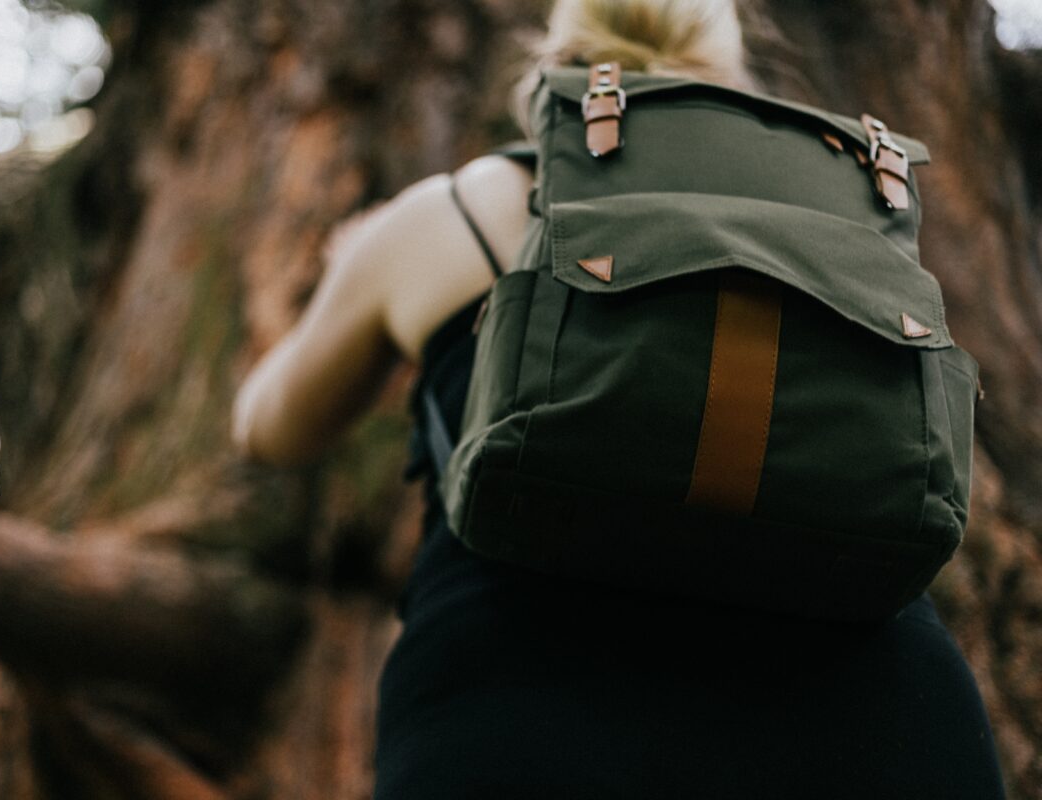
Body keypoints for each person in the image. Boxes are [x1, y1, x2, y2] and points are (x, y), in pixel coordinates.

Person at [232, 1, 1006, 796]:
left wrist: (352, 265)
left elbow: (267, 428)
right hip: (880, 713)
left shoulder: (450, 213)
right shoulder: (848, 202)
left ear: (557, 49)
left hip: (519, 706)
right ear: (732, 67)